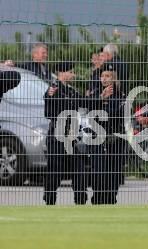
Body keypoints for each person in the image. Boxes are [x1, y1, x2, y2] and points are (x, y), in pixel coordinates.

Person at [43, 62, 88, 205]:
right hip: (57, 136)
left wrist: (100, 98)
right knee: (54, 172)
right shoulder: (54, 89)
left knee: (79, 170)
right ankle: (50, 201)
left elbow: (84, 102)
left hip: (71, 138)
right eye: (71, 72)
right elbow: (48, 112)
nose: (73, 75)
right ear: (62, 73)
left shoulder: (71, 90)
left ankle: (80, 201)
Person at [88, 65, 127, 204]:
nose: (104, 79)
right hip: (98, 137)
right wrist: (101, 99)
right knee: (98, 171)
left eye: (108, 76)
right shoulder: (95, 93)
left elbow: (114, 114)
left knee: (114, 171)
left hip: (115, 138)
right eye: (102, 76)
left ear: (113, 78)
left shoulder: (121, 95)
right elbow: (91, 113)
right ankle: (97, 199)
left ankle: (111, 199)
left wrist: (103, 106)